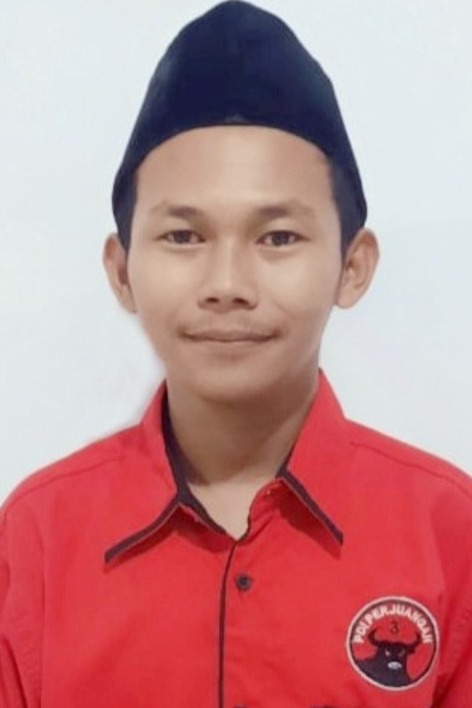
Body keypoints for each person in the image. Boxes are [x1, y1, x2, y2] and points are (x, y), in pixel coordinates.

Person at [1, 1, 471, 706]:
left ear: (352, 267)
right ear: (122, 271)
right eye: (183, 237)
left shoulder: (448, 531)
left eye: (278, 237)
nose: (227, 284)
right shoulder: (37, 536)